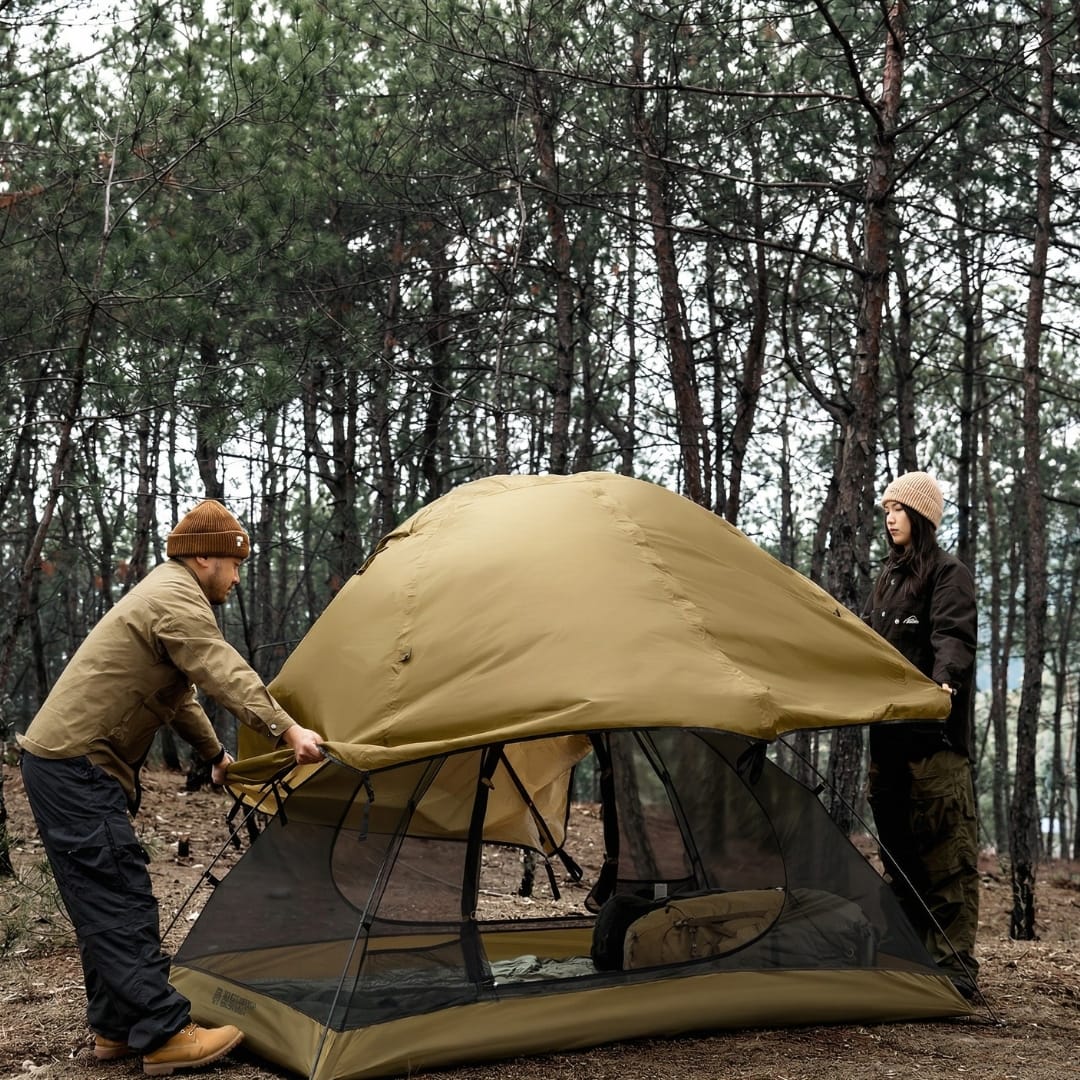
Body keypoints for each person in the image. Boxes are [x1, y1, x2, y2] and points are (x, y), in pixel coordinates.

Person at [17, 499, 325, 1074]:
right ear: (206, 557)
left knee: (99, 896)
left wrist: (215, 754)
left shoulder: (165, 594)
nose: (237, 576)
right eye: (235, 564)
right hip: (77, 767)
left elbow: (181, 696)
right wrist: (286, 727)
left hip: (64, 764)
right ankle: (162, 1033)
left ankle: (115, 1029)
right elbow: (220, 668)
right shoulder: (176, 598)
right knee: (119, 895)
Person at [862, 471, 980, 1000]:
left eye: (898, 509)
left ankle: (953, 972)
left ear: (922, 516)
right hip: (886, 742)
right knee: (899, 858)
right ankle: (909, 962)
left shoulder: (949, 573)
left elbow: (952, 635)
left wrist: (945, 684)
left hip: (934, 746)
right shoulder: (887, 578)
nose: (889, 517)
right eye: (885, 508)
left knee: (945, 860)